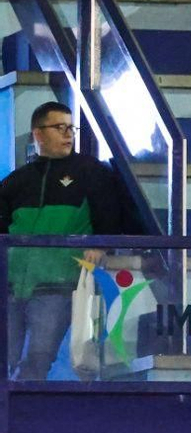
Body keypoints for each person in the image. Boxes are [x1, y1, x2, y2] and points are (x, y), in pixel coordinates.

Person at [0, 102, 139, 380]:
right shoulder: (16, 181)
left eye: (70, 128)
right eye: (59, 127)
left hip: (58, 284)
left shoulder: (90, 171)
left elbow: (109, 213)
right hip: (12, 286)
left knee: (39, 356)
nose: (68, 134)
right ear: (38, 134)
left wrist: (100, 245)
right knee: (6, 357)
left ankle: (24, 414)